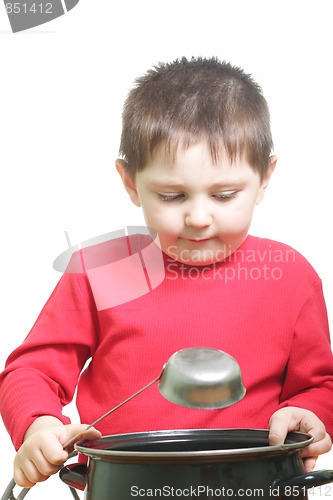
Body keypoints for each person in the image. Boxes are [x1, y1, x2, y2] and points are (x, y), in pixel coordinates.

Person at [1, 56, 333, 489]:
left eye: (225, 194)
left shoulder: (290, 275)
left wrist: (311, 413)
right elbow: (33, 371)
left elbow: (319, 384)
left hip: (254, 487)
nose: (198, 217)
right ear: (130, 182)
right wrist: (39, 425)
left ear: (264, 178)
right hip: (126, 489)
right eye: (172, 195)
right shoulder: (102, 271)